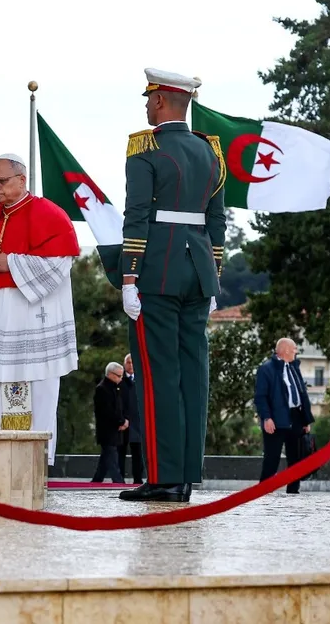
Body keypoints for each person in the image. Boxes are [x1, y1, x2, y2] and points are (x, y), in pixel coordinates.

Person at [117, 69, 227, 503]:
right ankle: (185, 477)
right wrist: (214, 275)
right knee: (193, 376)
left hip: (157, 273)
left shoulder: (146, 148)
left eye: (149, 99)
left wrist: (129, 276)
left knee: (157, 375)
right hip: (199, 272)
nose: (146, 106)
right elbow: (216, 221)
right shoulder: (210, 151)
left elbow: (137, 215)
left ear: (162, 101)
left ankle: (163, 478)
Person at [0, 153, 81, 465]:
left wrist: (10, 261)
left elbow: (60, 263)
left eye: (1, 180)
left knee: (37, 387)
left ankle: (30, 462)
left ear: (21, 180)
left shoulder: (51, 216)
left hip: (31, 318)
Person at [255, 338, 314, 494]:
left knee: (296, 460)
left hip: (296, 418)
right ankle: (262, 493)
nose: (296, 351)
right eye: (294, 349)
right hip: (276, 420)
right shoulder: (266, 369)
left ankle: (293, 493)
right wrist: (266, 418)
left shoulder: (294, 367)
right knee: (271, 460)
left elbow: (302, 393)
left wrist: (306, 419)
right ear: (286, 350)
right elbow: (260, 397)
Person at [91, 362, 128, 484]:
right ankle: (119, 483)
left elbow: (118, 408)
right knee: (112, 459)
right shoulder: (102, 389)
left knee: (106, 459)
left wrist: (123, 420)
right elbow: (107, 411)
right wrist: (121, 421)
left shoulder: (114, 388)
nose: (121, 379)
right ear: (111, 374)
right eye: (119, 376)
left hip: (114, 430)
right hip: (107, 431)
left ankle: (96, 481)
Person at [119, 353, 145, 484]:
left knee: (138, 454)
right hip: (123, 423)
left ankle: (138, 480)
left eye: (133, 362)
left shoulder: (141, 380)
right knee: (120, 452)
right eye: (128, 362)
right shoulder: (119, 381)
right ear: (124, 364)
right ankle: (119, 480)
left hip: (138, 423)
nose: (131, 365)